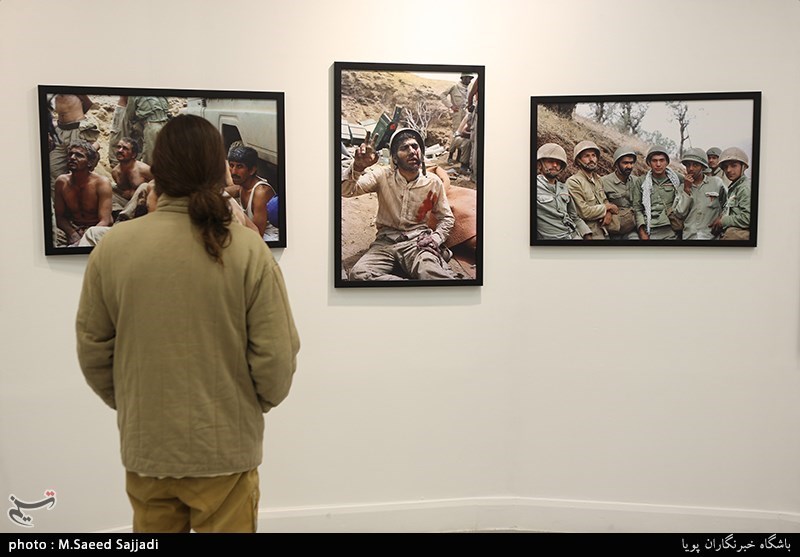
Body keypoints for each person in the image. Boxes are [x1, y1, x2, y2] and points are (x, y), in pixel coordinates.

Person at [76, 114, 300, 533]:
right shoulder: (246, 248)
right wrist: (247, 408)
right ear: (217, 168)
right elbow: (277, 355)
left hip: (149, 449)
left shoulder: (115, 248)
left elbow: (93, 351)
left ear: (157, 167)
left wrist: (136, 405)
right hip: (225, 450)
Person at [341, 127, 455, 280]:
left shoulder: (433, 182)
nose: (412, 151)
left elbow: (447, 218)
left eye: (415, 147)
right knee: (358, 275)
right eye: (404, 148)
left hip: (418, 243)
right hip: (384, 243)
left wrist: (436, 238)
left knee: (433, 275)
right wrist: (358, 167)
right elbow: (346, 191)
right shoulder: (382, 175)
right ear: (394, 158)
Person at [53, 141, 113, 246]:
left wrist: (86, 236)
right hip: (73, 227)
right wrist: (72, 233)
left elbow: (105, 220)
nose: (72, 157)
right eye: (70, 154)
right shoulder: (61, 182)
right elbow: (59, 216)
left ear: (89, 162)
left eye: (79, 155)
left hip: (96, 228)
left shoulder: (101, 183)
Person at [535, 143, 591, 240]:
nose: (555, 165)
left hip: (574, 236)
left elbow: (574, 216)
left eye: (558, 163)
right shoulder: (533, 187)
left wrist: (587, 233)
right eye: (550, 161)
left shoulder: (563, 188)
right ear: (539, 165)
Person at [566, 140, 618, 239]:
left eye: (593, 155)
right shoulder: (573, 182)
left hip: (605, 229)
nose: (591, 159)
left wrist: (608, 213)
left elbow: (604, 200)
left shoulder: (598, 179)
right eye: (586, 156)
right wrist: (607, 207)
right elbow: (584, 212)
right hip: (590, 231)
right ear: (578, 160)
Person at [672, 148, 727, 240]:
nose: (690, 168)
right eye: (688, 165)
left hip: (712, 237)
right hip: (689, 237)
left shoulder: (717, 183)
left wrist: (722, 218)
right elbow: (680, 213)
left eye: (695, 165)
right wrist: (687, 190)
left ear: (703, 166)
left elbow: (728, 204)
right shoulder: (682, 187)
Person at [227, 145, 279, 241]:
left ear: (252, 170)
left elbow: (257, 234)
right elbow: (226, 192)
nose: (233, 171)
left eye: (239, 166)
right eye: (231, 165)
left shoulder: (261, 193)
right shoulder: (243, 185)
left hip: (268, 239)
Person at [632, 145, 684, 240]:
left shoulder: (677, 179)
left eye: (662, 160)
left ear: (667, 162)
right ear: (649, 163)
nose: (658, 164)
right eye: (654, 161)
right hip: (649, 229)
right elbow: (637, 208)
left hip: (670, 229)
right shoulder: (642, 182)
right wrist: (642, 231)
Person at [710, 147, 752, 240]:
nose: (728, 170)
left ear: (743, 167)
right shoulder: (734, 187)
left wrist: (723, 221)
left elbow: (748, 218)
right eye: (725, 167)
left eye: (733, 165)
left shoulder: (745, 188)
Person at [600, 146, 640, 239]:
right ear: (616, 164)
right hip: (613, 229)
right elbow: (599, 202)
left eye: (631, 163)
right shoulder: (603, 182)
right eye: (625, 163)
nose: (629, 166)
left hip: (631, 228)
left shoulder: (637, 182)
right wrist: (608, 210)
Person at [110, 137, 153, 213]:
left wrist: (136, 193)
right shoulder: (115, 172)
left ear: (133, 155)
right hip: (127, 203)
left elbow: (158, 186)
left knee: (144, 186)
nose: (120, 150)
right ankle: (117, 211)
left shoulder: (144, 169)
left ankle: (124, 216)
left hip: (145, 204)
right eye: (119, 147)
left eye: (125, 149)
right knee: (107, 186)